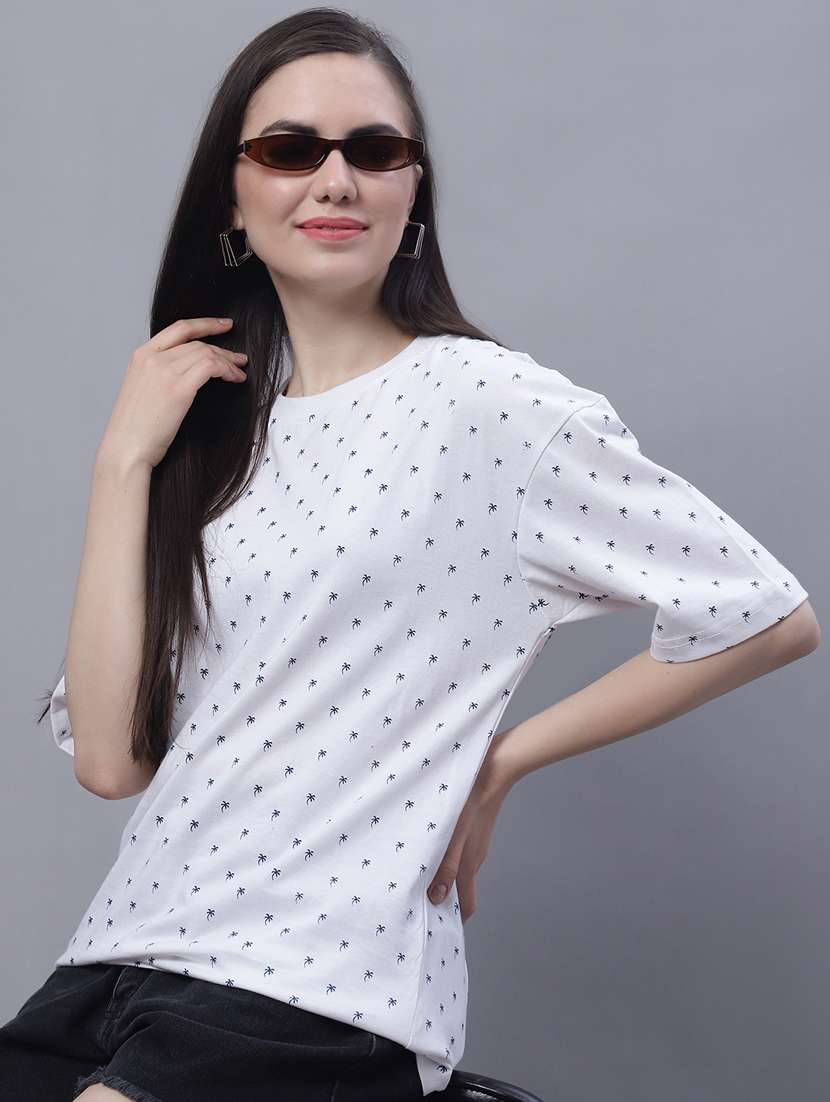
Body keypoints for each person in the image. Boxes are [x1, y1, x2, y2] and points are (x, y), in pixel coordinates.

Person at [3, 8, 819, 1102]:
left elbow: (765, 613)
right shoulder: (210, 439)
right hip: (123, 957)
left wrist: (500, 760)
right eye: (290, 149)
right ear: (231, 200)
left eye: (374, 149)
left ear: (412, 192)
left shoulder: (488, 404)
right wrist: (122, 463)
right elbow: (112, 761)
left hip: (320, 983)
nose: (335, 179)